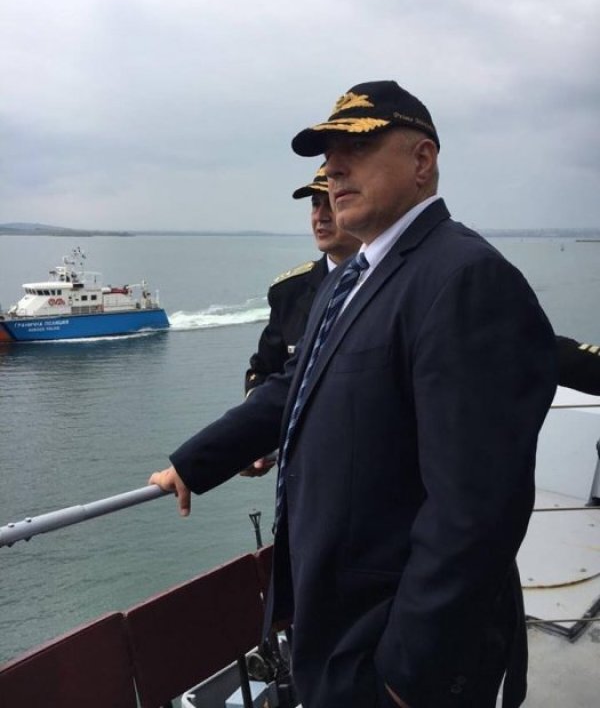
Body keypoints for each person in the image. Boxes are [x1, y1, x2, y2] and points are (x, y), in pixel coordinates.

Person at [150, 80, 558, 708]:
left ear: (422, 161)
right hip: (337, 624)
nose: (333, 168)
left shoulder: (465, 279)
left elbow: (476, 510)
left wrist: (406, 677)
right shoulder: (354, 278)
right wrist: (195, 462)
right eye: (327, 153)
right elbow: (295, 388)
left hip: (392, 645)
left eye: (357, 147)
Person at [241, 167, 360, 478]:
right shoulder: (289, 292)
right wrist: (254, 438)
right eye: (314, 205)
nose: (320, 216)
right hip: (303, 477)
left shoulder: (393, 282)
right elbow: (264, 372)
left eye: (330, 203)